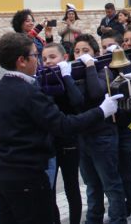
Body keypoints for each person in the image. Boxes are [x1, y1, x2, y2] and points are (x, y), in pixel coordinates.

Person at [0, 32, 122, 224]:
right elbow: (63, 125)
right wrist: (101, 111)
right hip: (26, 175)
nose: (39, 61)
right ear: (21, 61)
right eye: (35, 56)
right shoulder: (28, 91)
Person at [72, 33, 128, 224]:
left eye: (85, 51)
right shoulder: (72, 74)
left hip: (103, 137)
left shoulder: (103, 70)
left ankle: (117, 219)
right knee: (91, 185)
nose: (80, 55)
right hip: (83, 136)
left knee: (111, 185)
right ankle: (93, 220)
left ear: (95, 53)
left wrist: (89, 65)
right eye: (77, 51)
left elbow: (96, 92)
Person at [42, 42, 85, 224]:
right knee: (49, 189)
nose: (48, 62)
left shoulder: (71, 76)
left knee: (71, 187)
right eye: (44, 58)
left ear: (64, 58)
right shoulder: (43, 78)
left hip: (70, 141)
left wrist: (66, 77)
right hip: (50, 143)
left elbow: (78, 102)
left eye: (52, 57)